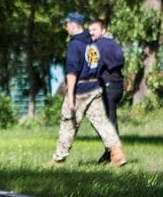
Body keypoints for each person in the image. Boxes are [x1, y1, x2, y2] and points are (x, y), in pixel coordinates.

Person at [52, 11, 126, 167]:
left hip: (80, 89)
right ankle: (117, 153)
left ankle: (58, 159)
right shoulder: (91, 41)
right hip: (95, 87)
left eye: (67, 24)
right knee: (102, 122)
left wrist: (70, 95)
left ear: (73, 24)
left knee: (68, 122)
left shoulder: (75, 44)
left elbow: (72, 72)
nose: (66, 27)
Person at [87, 18, 126, 161]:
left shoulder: (97, 46)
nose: (91, 32)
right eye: (89, 30)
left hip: (107, 85)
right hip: (117, 84)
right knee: (108, 119)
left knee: (105, 121)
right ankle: (110, 151)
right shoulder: (113, 43)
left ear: (103, 30)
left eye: (94, 29)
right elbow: (121, 61)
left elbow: (93, 67)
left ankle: (115, 153)